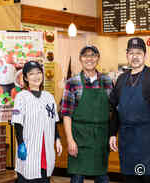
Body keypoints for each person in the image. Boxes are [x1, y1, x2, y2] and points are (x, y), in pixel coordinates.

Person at [109, 37, 150, 183]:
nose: (134, 56)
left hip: (146, 137)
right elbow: (116, 110)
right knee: (129, 177)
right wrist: (112, 134)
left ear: (145, 55)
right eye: (131, 53)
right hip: (126, 138)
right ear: (127, 55)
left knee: (149, 177)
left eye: (138, 53)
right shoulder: (121, 79)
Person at [61, 45, 113, 183]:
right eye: (85, 56)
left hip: (100, 140)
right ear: (80, 59)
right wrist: (70, 140)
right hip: (79, 140)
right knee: (77, 178)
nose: (89, 59)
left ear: (98, 58)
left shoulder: (107, 81)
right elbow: (66, 115)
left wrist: (112, 135)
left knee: (102, 178)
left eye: (93, 55)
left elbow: (112, 110)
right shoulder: (72, 82)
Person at [12, 61, 62, 183]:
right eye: (32, 74)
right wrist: (21, 144)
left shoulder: (48, 96)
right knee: (28, 176)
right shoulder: (21, 97)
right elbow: (17, 123)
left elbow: (54, 121)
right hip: (29, 149)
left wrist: (58, 139)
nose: (36, 76)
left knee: (45, 176)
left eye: (39, 72)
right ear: (25, 78)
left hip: (47, 149)